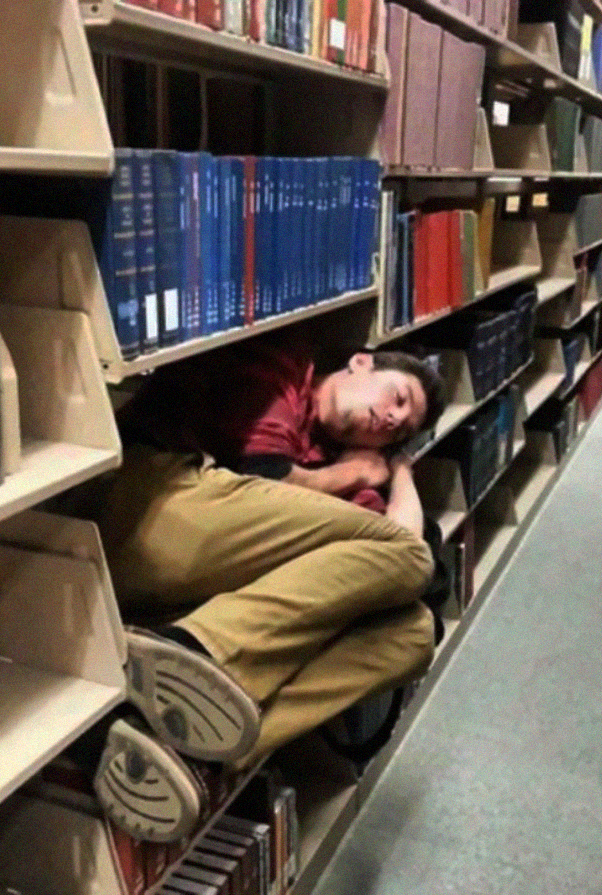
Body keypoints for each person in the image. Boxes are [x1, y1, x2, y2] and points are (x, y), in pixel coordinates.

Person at [68, 336, 446, 843]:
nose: (391, 420)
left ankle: (190, 748)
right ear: (360, 361)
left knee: (414, 633)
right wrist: (353, 471)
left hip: (209, 588)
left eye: (400, 429)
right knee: (402, 558)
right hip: (152, 513)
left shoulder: (344, 465)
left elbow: (404, 551)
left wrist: (401, 473)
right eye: (397, 398)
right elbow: (260, 468)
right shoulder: (285, 370)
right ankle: (194, 653)